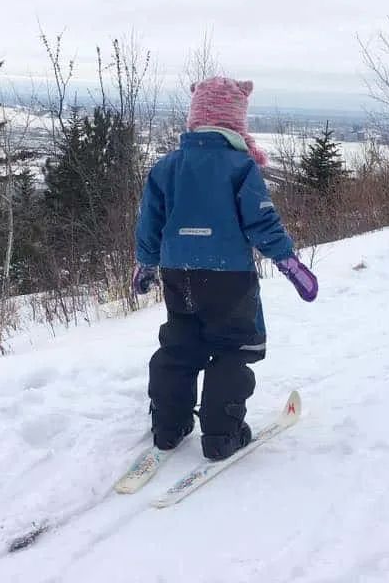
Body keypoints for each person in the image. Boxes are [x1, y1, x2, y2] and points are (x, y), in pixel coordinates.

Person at [133, 76, 318, 461]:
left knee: (180, 344)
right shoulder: (241, 166)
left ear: (195, 118)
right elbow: (261, 222)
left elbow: (149, 223)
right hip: (228, 276)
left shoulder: (166, 167)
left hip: (178, 273)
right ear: (237, 121)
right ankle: (220, 433)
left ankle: (169, 425)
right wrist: (287, 260)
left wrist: (146, 264)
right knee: (233, 348)